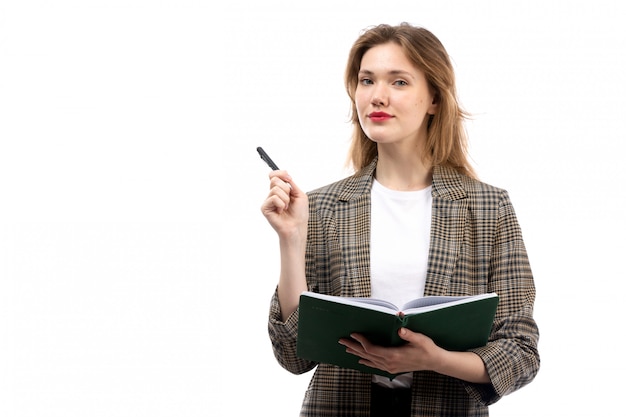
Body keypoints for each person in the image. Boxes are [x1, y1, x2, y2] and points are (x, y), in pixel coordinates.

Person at [260, 22, 539, 417]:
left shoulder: (488, 207)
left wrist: (435, 359)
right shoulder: (321, 207)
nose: (378, 96)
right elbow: (293, 354)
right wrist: (291, 238)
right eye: (367, 80)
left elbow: (520, 351)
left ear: (434, 100)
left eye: (400, 82)